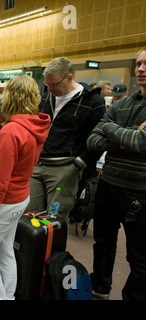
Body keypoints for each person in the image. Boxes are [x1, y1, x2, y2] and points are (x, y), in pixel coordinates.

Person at [0, 75, 51, 300]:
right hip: (21, 196)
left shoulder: (11, 131)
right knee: (4, 250)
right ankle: (7, 295)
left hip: (4, 201)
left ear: (10, 96)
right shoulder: (36, 126)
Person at [87, 46, 146, 300]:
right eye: (139, 64)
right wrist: (125, 137)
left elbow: (143, 143)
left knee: (139, 257)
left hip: (139, 192)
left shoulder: (117, 110)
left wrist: (110, 130)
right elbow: (92, 139)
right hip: (108, 184)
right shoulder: (123, 105)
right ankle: (100, 289)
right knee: (103, 243)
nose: (141, 69)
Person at [25, 57, 105, 224]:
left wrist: (80, 163)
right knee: (30, 215)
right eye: (47, 85)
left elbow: (97, 138)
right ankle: (34, 250)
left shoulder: (93, 102)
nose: (50, 89)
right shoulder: (47, 98)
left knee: (56, 219)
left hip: (64, 169)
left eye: (54, 85)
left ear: (69, 78)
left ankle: (53, 250)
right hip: (37, 165)